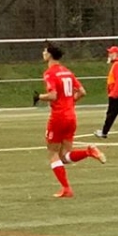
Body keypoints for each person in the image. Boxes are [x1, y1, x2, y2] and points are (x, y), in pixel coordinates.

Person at [36, 42, 105, 198]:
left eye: (45, 51)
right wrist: (69, 102)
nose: (43, 53)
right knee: (65, 156)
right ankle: (88, 152)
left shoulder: (50, 73)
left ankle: (66, 188)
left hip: (58, 117)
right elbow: (82, 92)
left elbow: (53, 95)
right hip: (71, 116)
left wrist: (39, 97)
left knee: (53, 153)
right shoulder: (67, 72)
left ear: (50, 55)